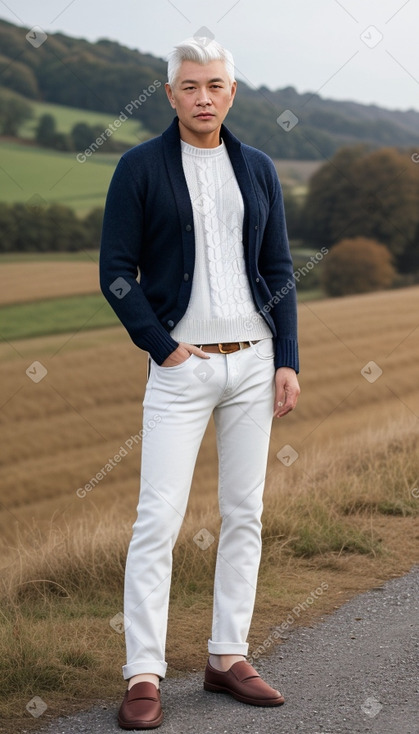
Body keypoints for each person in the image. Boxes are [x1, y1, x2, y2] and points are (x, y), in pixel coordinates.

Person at [99, 35, 300, 730]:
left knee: (245, 514)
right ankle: (144, 674)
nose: (203, 97)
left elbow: (277, 268)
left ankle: (226, 657)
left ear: (232, 93)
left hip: (252, 360)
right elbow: (116, 272)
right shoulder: (139, 168)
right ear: (171, 94)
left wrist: (286, 358)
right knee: (158, 519)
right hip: (180, 368)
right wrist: (163, 349)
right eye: (190, 86)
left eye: (215, 84)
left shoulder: (259, 168)